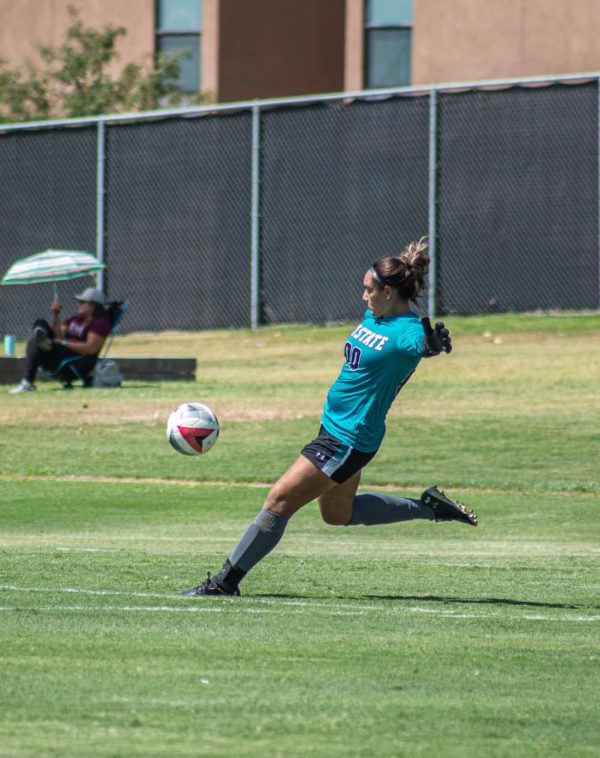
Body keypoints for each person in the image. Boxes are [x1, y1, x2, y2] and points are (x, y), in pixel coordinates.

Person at [182, 238, 478, 598]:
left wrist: (432, 345)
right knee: (337, 514)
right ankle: (430, 508)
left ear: (387, 292)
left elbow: (420, 346)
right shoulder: (377, 315)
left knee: (279, 501)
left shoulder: (406, 332)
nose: (363, 297)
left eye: (368, 290)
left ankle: (224, 583)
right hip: (338, 431)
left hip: (347, 439)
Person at [9, 287, 113, 392]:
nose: (79, 305)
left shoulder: (100, 323)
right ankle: (43, 341)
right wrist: (56, 314)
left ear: (92, 305)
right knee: (40, 325)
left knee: (35, 342)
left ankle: (28, 382)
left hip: (76, 359)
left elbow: (90, 348)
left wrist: (64, 343)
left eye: (82, 302)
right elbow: (58, 335)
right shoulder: (76, 319)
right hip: (60, 351)